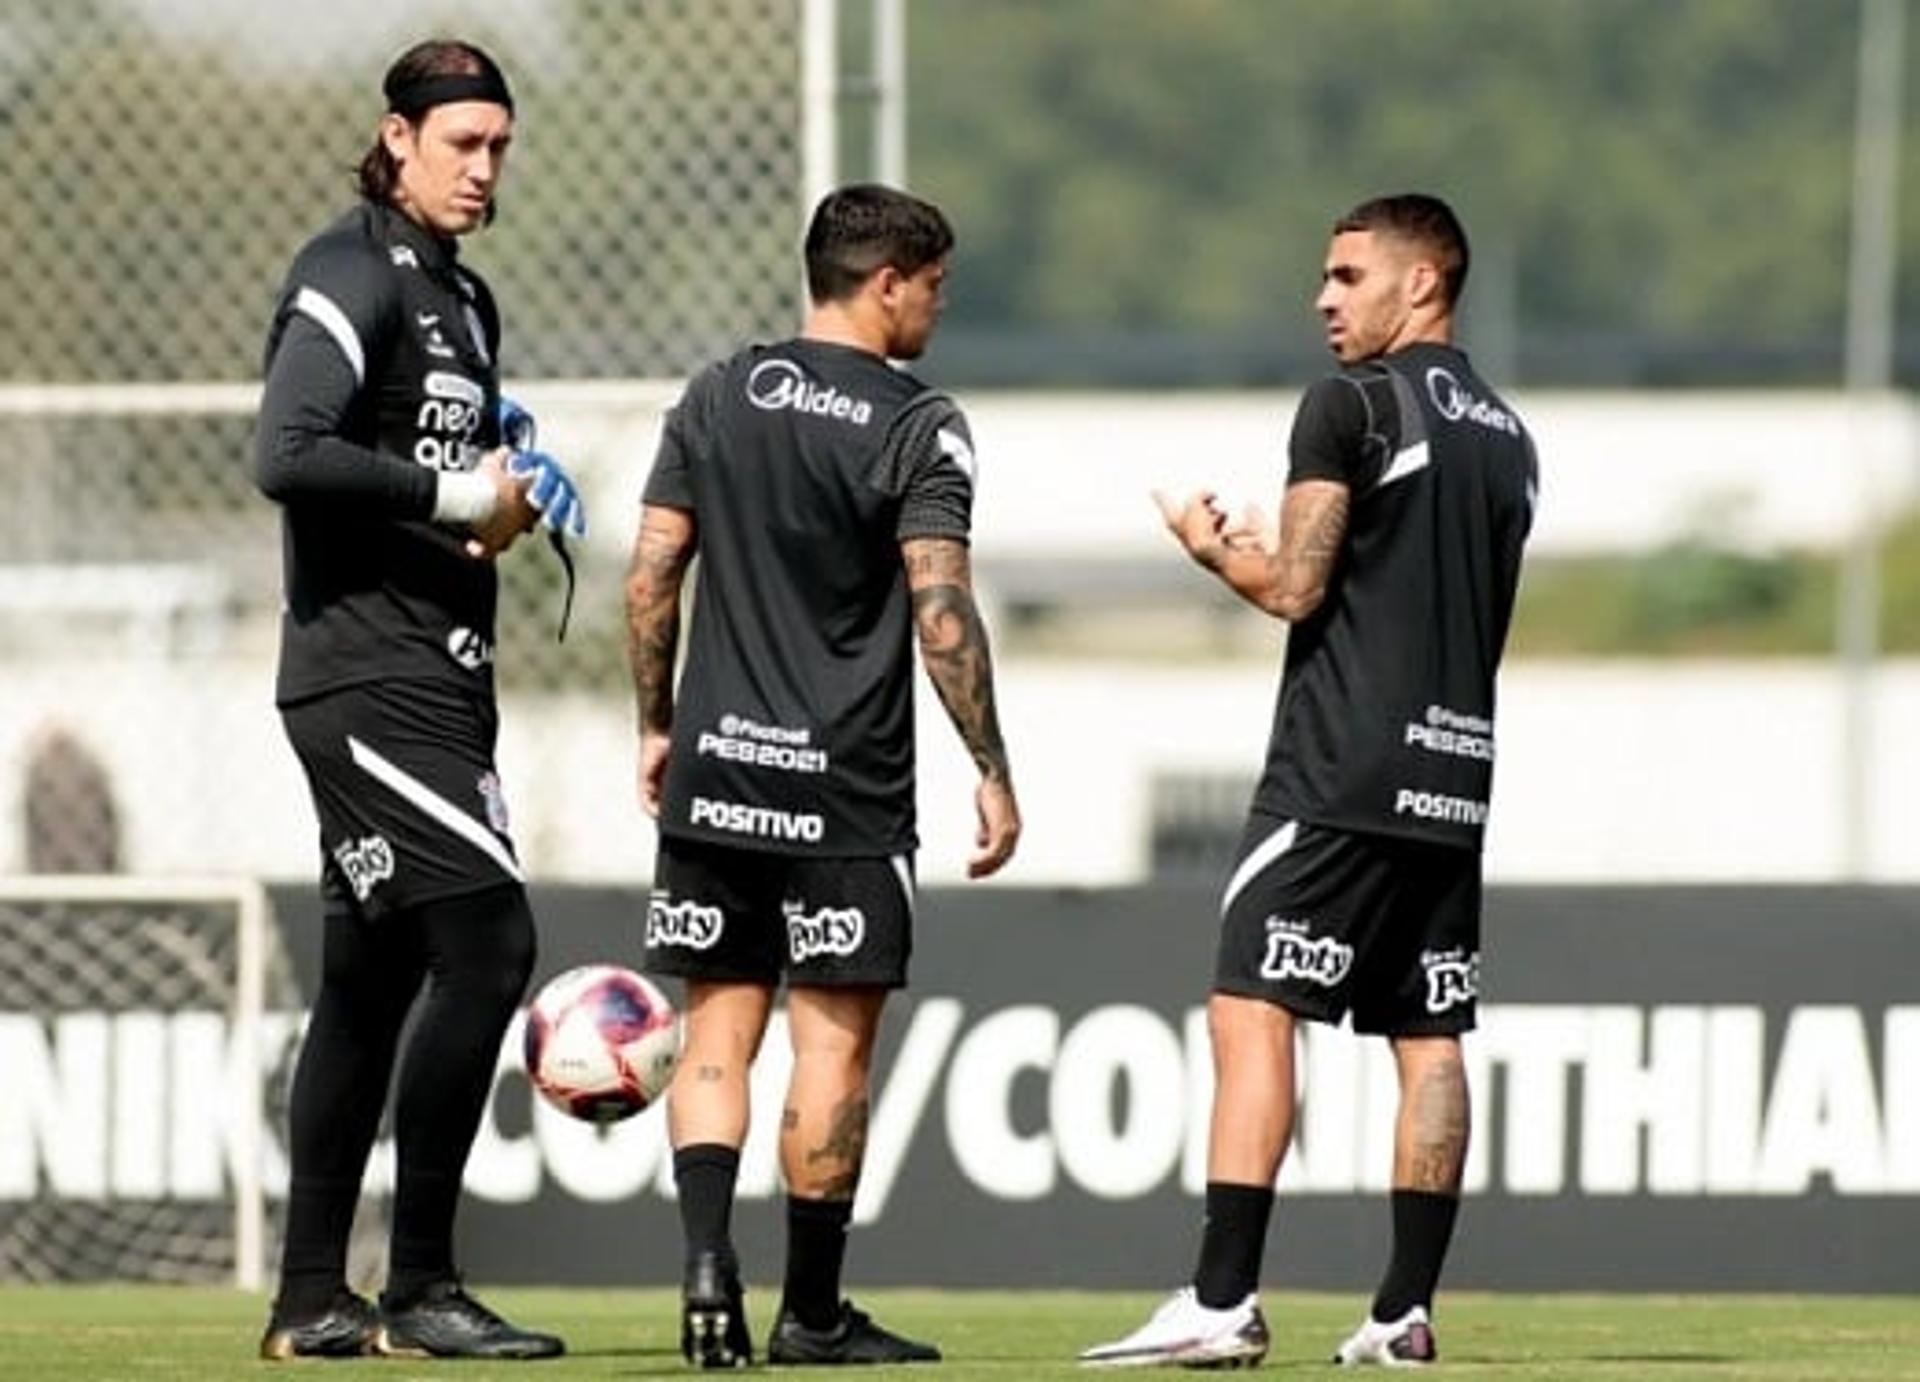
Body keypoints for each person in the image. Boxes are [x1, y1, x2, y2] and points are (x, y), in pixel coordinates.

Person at [1081, 194, 1537, 1370]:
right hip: (1455, 774)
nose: (1323, 299)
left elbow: (1296, 586)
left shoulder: (1352, 403)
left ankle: (1221, 1296)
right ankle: (1403, 1311)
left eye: (1346, 275)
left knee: (1251, 1007)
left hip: (1339, 769)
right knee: (1429, 1035)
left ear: (1422, 283)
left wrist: (1206, 546)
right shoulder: (1510, 436)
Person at [625, 183, 1020, 1368]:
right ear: (887, 281)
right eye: (933, 288)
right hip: (844, 790)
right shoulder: (920, 422)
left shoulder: (716, 391)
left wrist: (657, 723)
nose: (937, 312)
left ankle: (705, 1270)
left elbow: (651, 577)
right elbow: (939, 604)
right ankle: (809, 1310)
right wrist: (991, 765)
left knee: (714, 1036)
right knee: (832, 1052)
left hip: (715, 772)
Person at [253, 37, 583, 1362]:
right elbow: (287, 450)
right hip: (364, 675)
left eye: (499, 144)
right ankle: (425, 1283)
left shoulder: (470, 301)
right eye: (461, 143)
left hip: (438, 672)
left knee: (371, 982)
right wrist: (457, 495)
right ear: (396, 138)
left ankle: (309, 1301)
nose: (483, 166)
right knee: (492, 945)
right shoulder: (346, 272)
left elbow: (436, 475)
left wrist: (502, 497)